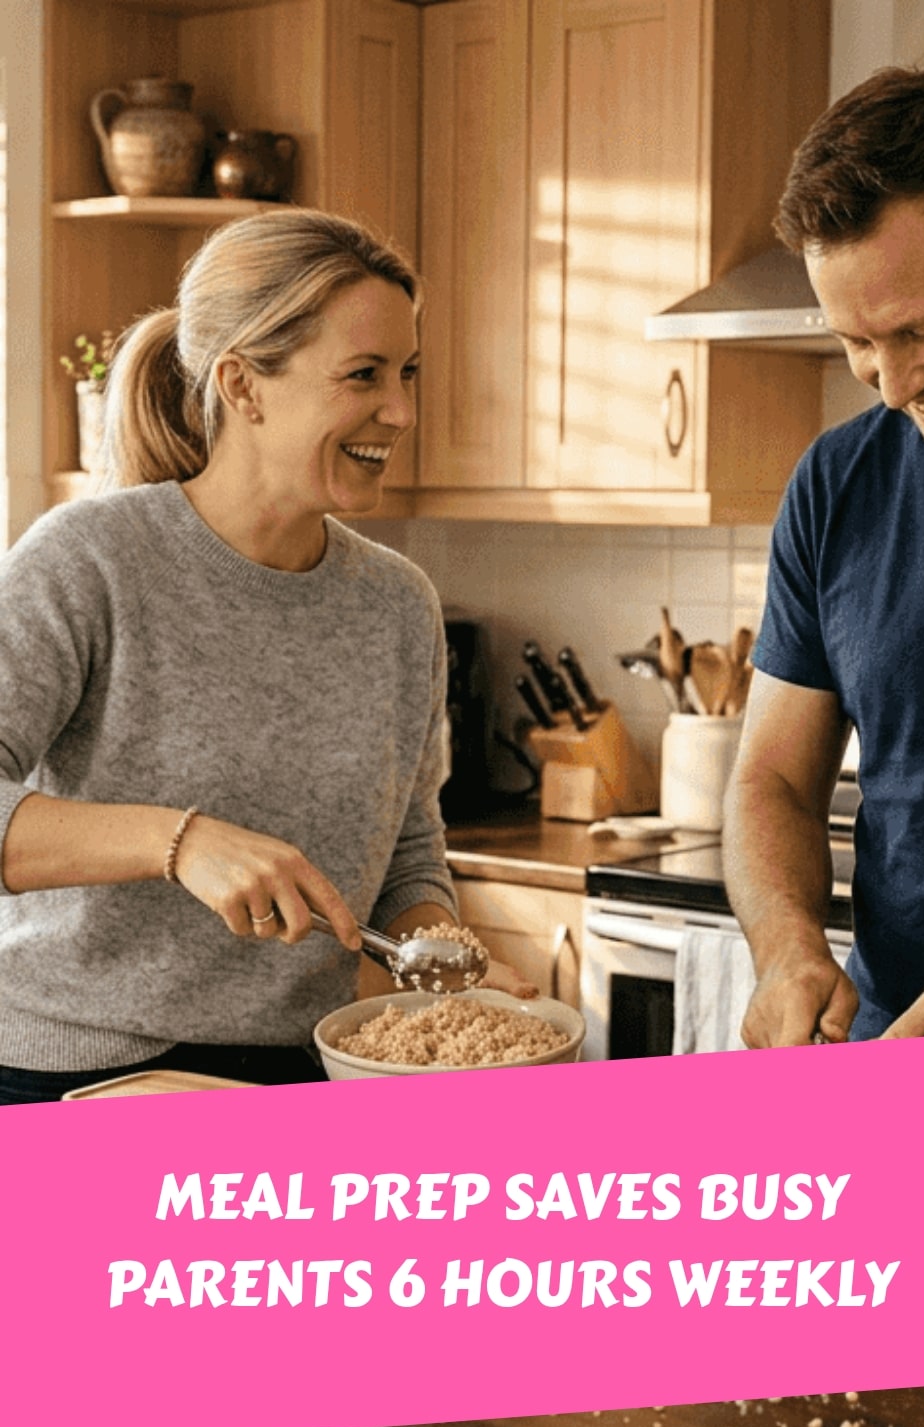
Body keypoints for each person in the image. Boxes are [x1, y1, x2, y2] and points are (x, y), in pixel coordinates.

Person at [0, 207, 534, 1105]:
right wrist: (179, 843)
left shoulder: (398, 605)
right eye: (363, 374)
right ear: (243, 386)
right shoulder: (89, 562)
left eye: (407, 372)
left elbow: (407, 847)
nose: (401, 412)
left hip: (301, 1072)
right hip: (77, 1073)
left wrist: (439, 960)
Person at [723, 64, 924, 1047]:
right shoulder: (838, 483)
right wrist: (787, 947)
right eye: (856, 342)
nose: (891, 386)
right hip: (895, 1052)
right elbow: (773, 781)